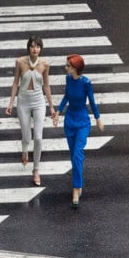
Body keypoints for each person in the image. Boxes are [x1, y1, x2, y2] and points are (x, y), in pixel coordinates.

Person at [54, 53, 104, 209]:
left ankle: (76, 188)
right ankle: (78, 179)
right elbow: (66, 96)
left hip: (82, 122)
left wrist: (98, 118)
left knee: (76, 155)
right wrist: (58, 110)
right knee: (75, 156)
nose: (66, 68)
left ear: (76, 68)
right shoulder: (69, 79)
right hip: (70, 121)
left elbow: (92, 102)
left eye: (68, 66)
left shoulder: (86, 83)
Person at [5, 36, 56, 186]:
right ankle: (25, 149)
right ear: (28, 48)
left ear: (40, 49)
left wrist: (51, 106)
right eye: (32, 46)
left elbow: (46, 86)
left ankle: (36, 170)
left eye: (38, 46)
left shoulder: (45, 64)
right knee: (26, 135)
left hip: (39, 102)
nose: (35, 49)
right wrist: (11, 103)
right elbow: (16, 83)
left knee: (39, 138)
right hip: (23, 102)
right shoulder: (20, 62)